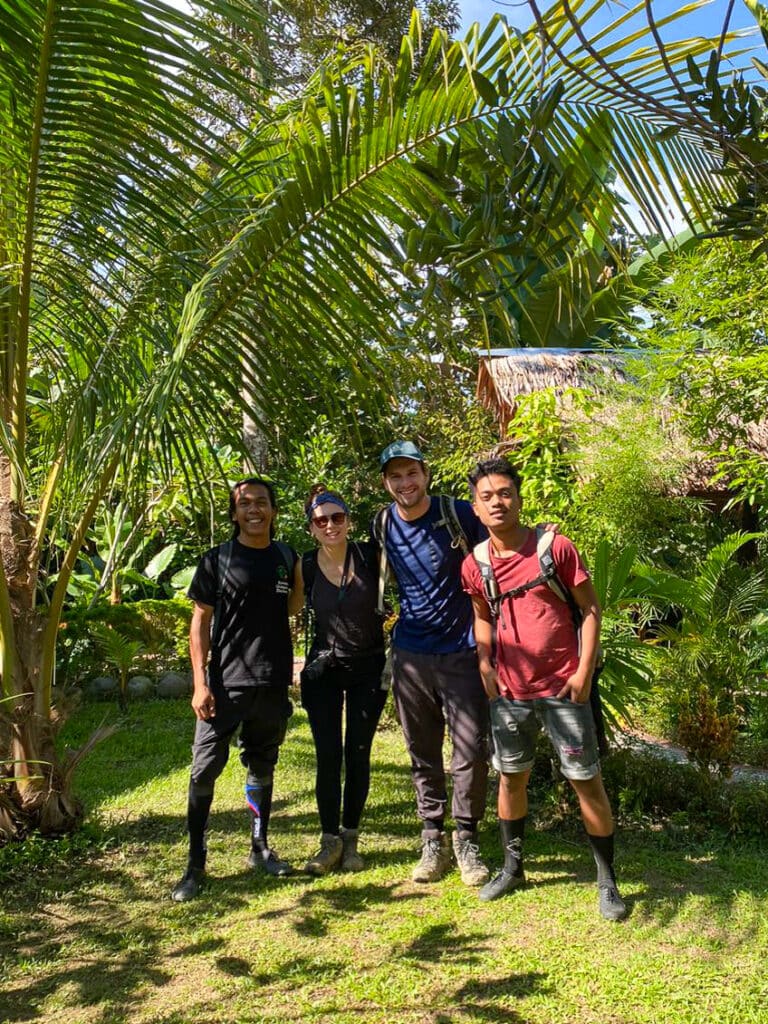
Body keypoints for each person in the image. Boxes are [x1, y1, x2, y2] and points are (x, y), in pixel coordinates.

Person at [461, 457, 627, 920]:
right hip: (510, 693)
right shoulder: (475, 563)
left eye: (505, 493)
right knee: (512, 778)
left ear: (519, 497)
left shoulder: (556, 548)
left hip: (564, 688)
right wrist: (485, 664)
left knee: (585, 781)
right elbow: (481, 614)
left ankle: (607, 880)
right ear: (475, 507)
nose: (497, 502)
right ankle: (513, 868)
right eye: (487, 496)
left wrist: (584, 672)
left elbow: (591, 610)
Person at [171, 477, 302, 902]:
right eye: (245, 504)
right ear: (234, 513)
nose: (254, 510)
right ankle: (195, 863)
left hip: (271, 682)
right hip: (224, 685)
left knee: (262, 765)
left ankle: (260, 848)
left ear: (273, 511)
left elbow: (294, 607)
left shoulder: (286, 557)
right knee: (204, 770)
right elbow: (200, 622)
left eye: (262, 503)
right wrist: (199, 683)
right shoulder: (217, 560)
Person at [374, 441, 490, 886]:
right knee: (422, 752)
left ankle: (466, 839)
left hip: (461, 651)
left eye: (411, 473)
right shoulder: (383, 522)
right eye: (395, 476)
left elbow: (501, 542)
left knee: (470, 751)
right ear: (386, 483)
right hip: (410, 655)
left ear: (426, 474)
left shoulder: (457, 513)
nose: (405, 483)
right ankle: (432, 839)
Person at [298, 485, 388, 875]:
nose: (330, 525)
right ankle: (329, 841)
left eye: (337, 517)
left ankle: (351, 840)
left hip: (368, 667)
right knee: (328, 756)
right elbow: (285, 612)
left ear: (348, 520)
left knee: (359, 753)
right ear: (311, 528)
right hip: (324, 672)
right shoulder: (303, 566)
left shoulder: (372, 556)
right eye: (321, 520)